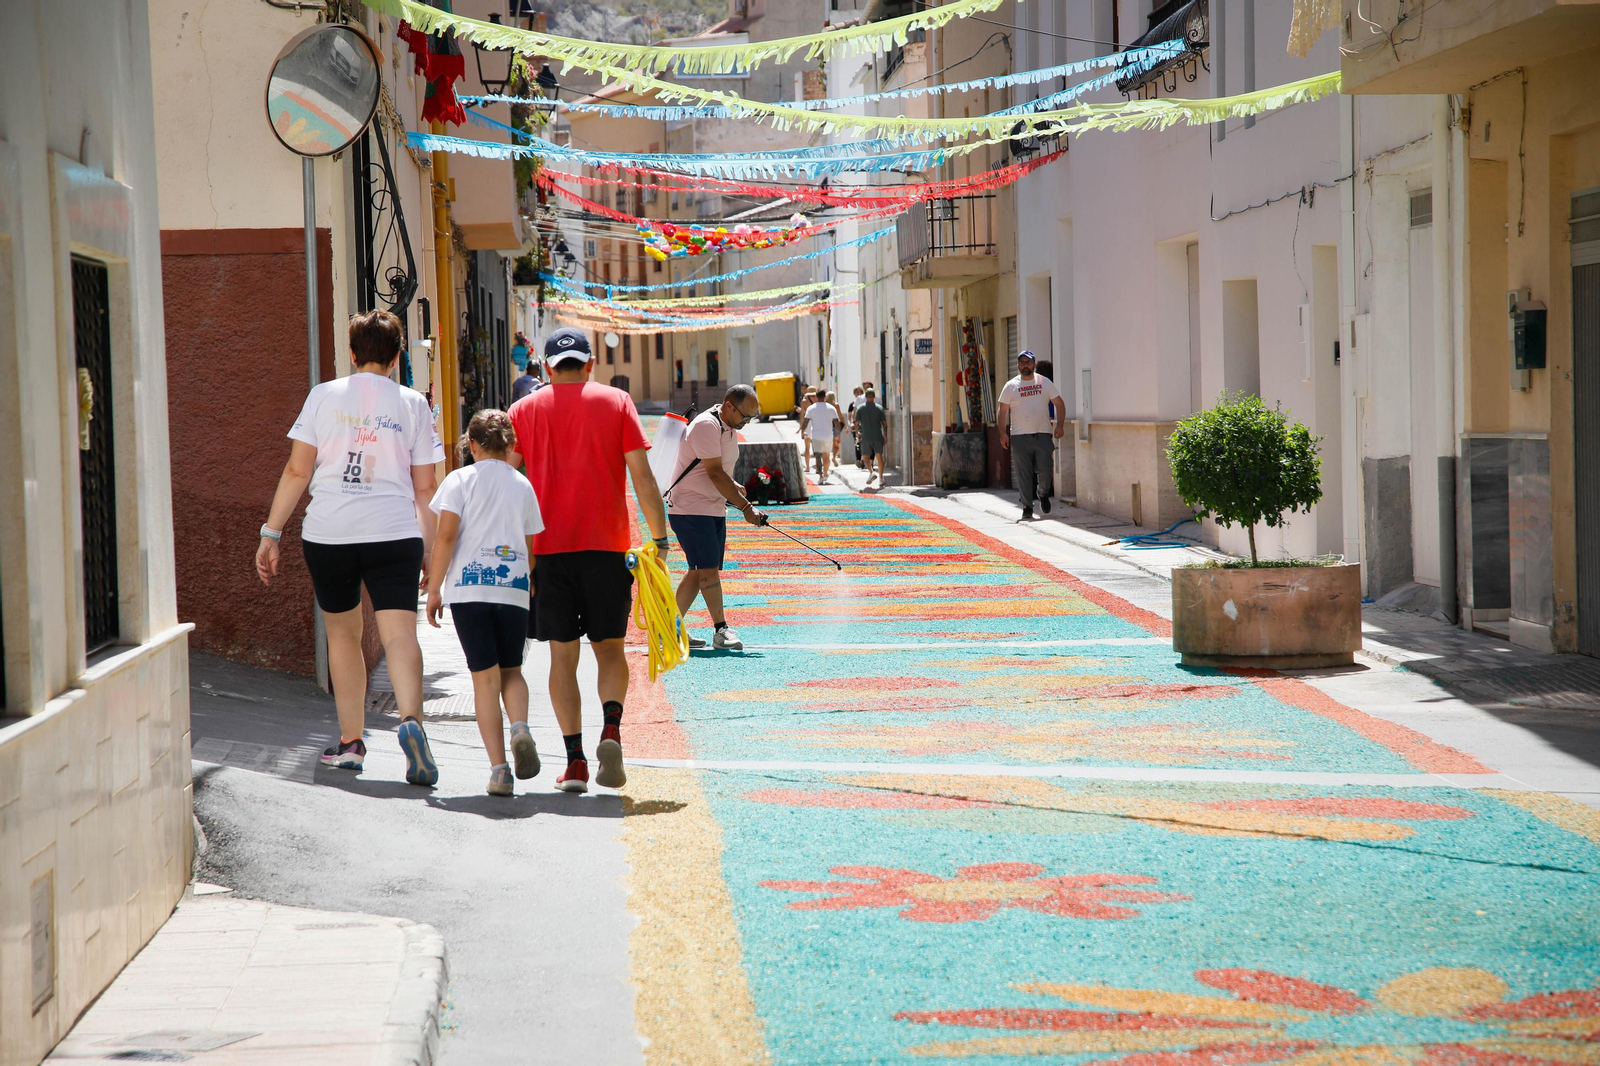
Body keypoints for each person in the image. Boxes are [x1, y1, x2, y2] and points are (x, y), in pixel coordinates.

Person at [256, 309, 444, 785]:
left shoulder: (323, 396)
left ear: (353, 354)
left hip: (330, 533)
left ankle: (351, 743)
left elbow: (297, 470)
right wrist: (429, 549)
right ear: (397, 357)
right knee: (400, 635)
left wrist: (271, 532)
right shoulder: (413, 404)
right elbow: (426, 487)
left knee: (343, 636)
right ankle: (411, 722)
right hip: (394, 531)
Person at [508, 327, 669, 794]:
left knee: (562, 657)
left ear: (546, 367)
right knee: (611, 650)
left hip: (547, 552)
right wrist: (660, 539)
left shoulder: (524, 410)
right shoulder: (616, 402)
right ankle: (612, 730)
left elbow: (505, 476)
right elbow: (642, 477)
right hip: (607, 548)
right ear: (590, 363)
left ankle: (575, 762)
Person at [424, 410, 544, 797]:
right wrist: (526, 580)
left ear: (472, 445)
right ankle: (520, 728)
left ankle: (500, 772)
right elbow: (530, 548)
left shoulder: (459, 480)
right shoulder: (522, 485)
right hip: (513, 588)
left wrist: (435, 588)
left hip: (469, 591)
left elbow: (445, 537)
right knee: (512, 671)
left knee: (484, 680)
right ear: (510, 445)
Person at [666, 385, 768, 652]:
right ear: (728, 406)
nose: (747, 422)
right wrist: (746, 508)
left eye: (752, 417)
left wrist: (733, 486)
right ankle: (720, 630)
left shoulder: (729, 425)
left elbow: (715, 469)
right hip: (691, 509)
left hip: (711, 507)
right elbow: (713, 472)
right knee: (707, 569)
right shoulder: (706, 425)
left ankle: (670, 629)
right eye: (745, 416)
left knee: (698, 571)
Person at [998, 349, 1065, 520]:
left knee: (1046, 469)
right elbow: (1003, 411)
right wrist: (1002, 433)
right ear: (1018, 365)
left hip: (1043, 433)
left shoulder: (1045, 383)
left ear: (1034, 364)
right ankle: (1027, 506)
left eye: (1028, 362)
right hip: (1020, 436)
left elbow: (1059, 404)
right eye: (1022, 362)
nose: (1025, 365)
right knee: (1024, 473)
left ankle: (1043, 493)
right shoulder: (1010, 386)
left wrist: (1060, 425)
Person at [852, 387, 887, 485]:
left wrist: (857, 433)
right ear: (874, 397)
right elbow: (884, 424)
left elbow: (856, 423)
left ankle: (871, 472)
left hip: (866, 435)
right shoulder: (879, 408)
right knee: (879, 456)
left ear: (866, 397)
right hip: (877, 434)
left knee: (865, 458)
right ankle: (881, 478)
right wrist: (886, 435)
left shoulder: (860, 408)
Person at [804, 390, 839, 481]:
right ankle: (826, 473)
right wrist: (838, 434)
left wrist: (802, 431)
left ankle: (820, 476)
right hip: (828, 435)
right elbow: (836, 422)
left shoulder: (811, 408)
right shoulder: (831, 408)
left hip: (816, 436)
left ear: (816, 397)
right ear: (825, 397)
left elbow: (806, 421)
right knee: (826, 456)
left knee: (818, 457)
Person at [846, 385, 864, 466]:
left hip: (863, 424)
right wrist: (851, 423)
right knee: (857, 442)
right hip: (856, 426)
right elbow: (850, 415)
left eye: (859, 391)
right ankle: (858, 459)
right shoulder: (852, 404)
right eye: (856, 392)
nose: (858, 393)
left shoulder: (864, 402)